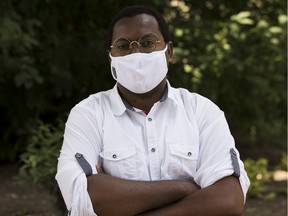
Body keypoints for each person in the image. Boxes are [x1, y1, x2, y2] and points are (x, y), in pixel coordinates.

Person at [56, 5, 250, 216]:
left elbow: (228, 200)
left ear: (169, 52)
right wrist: (185, 187)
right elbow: (82, 197)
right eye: (123, 46)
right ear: (111, 57)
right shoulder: (88, 114)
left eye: (147, 43)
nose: (135, 53)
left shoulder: (201, 111)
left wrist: (121, 199)